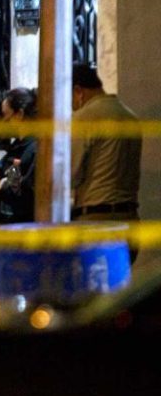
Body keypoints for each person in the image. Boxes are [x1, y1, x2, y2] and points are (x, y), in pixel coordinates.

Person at [70, 65, 142, 263]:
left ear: (78, 91)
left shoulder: (84, 118)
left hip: (96, 222)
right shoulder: (130, 117)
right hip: (130, 221)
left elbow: (70, 174)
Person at [0, 87, 38, 225]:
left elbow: (25, 194)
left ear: (19, 114)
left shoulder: (33, 149)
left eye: (5, 115)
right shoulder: (17, 147)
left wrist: (1, 186)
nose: (3, 121)